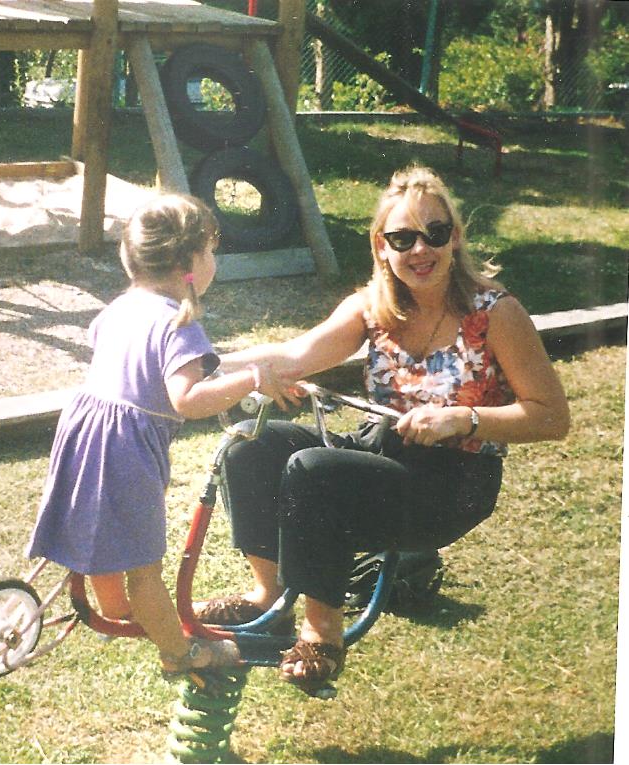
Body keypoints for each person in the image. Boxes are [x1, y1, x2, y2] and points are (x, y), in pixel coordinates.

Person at [198, 165, 570, 696]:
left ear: (455, 237)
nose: (421, 249)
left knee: (314, 469)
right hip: (381, 456)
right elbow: (293, 356)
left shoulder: (496, 313)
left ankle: (322, 634)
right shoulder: (373, 307)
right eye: (403, 238)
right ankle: (268, 599)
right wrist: (199, 360)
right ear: (381, 246)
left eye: (435, 233)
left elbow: (551, 416)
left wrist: (463, 418)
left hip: (451, 482)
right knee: (254, 444)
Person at [25, 193, 289, 677]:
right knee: (143, 565)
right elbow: (186, 398)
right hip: (126, 447)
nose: (214, 263)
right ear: (189, 264)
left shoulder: (120, 308)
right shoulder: (179, 323)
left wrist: (238, 366)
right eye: (210, 252)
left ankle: (117, 610)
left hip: (85, 430)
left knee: (101, 530)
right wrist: (252, 379)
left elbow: (138, 361)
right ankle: (180, 653)